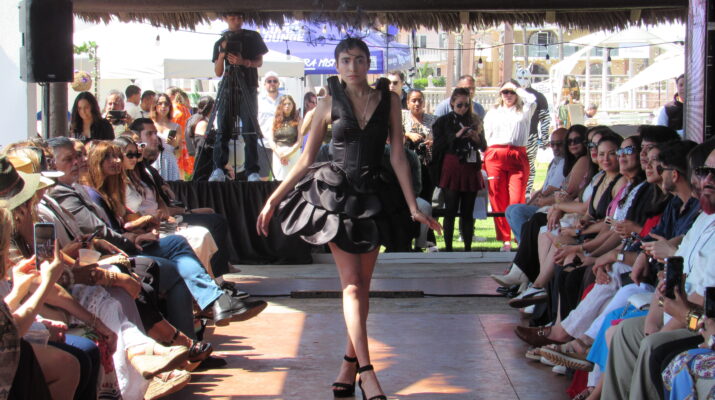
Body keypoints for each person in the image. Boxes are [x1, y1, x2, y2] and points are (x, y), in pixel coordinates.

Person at [256, 38, 441, 400]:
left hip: (374, 196)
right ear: (337, 65)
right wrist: (273, 199)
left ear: (368, 63)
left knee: (362, 287)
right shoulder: (327, 103)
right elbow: (306, 158)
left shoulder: (390, 100)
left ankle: (348, 363)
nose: (352, 67)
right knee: (352, 286)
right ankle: (368, 373)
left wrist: (413, 206)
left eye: (359, 60)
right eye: (345, 60)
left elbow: (399, 156)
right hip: (337, 197)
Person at [210, 12, 269, 182]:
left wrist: (243, 62)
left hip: (248, 86)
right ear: (225, 19)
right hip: (228, 88)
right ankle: (219, 168)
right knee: (223, 129)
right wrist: (223, 53)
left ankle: (252, 171)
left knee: (250, 129)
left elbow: (259, 61)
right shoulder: (220, 41)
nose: (236, 21)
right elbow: (218, 72)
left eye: (239, 18)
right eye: (232, 18)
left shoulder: (252, 36)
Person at [483, 79, 536, 251]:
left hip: (517, 154)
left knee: (516, 197)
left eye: (511, 92)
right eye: (505, 92)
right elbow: (486, 135)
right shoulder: (493, 113)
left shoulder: (524, 110)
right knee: (497, 197)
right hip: (495, 154)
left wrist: (517, 89)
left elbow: (532, 100)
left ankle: (518, 235)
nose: (508, 95)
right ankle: (504, 239)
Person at [430, 87, 486, 252]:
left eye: (466, 105)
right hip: (452, 166)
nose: (463, 108)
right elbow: (438, 146)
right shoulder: (443, 121)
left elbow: (484, 146)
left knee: (468, 212)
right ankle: (448, 248)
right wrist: (456, 135)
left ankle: (468, 248)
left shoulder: (475, 120)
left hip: (471, 167)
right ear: (452, 103)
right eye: (459, 105)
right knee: (450, 210)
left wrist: (476, 138)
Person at [503, 127, 567, 244]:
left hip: (553, 206)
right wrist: (530, 203)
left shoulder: (565, 163)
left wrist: (538, 200)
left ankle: (527, 245)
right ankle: (524, 244)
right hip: (545, 203)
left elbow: (552, 189)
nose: (555, 148)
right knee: (510, 209)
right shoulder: (554, 162)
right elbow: (543, 188)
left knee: (517, 212)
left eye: (559, 144)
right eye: (552, 144)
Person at [515, 68, 551, 196]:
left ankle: (526, 192)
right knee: (519, 165)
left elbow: (545, 119)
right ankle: (520, 192)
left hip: (531, 137)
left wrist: (544, 139)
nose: (523, 81)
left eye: (525, 78)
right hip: (516, 138)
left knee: (528, 165)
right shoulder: (513, 96)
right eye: (520, 78)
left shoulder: (538, 97)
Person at [151, 93, 182, 181]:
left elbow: (179, 153)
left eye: (166, 103)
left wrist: (175, 145)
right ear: (155, 106)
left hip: (169, 161)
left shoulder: (176, 127)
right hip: (153, 161)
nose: (163, 106)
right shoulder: (150, 124)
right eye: (160, 103)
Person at [270, 95, 302, 180]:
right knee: (278, 181)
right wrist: (280, 154)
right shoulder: (274, 119)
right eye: (284, 104)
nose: (287, 106)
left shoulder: (298, 119)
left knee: (293, 181)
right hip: (278, 154)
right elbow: (271, 140)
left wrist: (288, 154)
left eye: (289, 104)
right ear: (281, 105)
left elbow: (300, 141)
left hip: (293, 153)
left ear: (293, 105)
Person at [186, 96, 216, 180]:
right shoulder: (203, 124)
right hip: (204, 166)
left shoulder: (204, 121)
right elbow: (207, 146)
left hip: (207, 164)